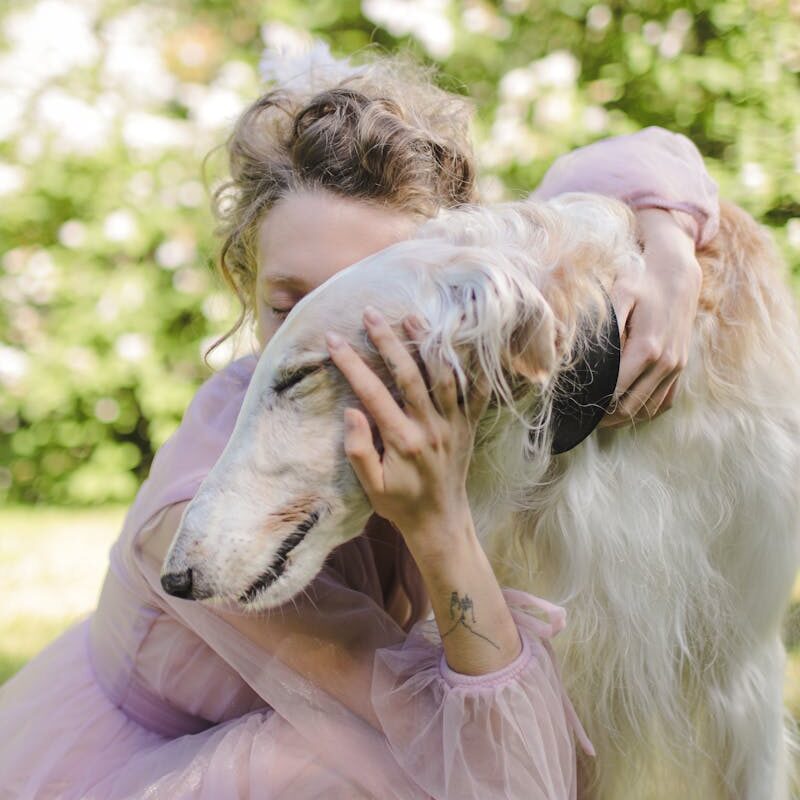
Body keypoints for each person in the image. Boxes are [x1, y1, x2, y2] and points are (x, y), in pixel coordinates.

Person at [0, 49, 719, 799]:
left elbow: (641, 158)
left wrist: (668, 248)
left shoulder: (452, 343)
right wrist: (441, 528)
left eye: (365, 300)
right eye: (291, 304)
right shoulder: (208, 516)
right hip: (157, 767)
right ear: (247, 281)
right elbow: (498, 774)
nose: (332, 343)